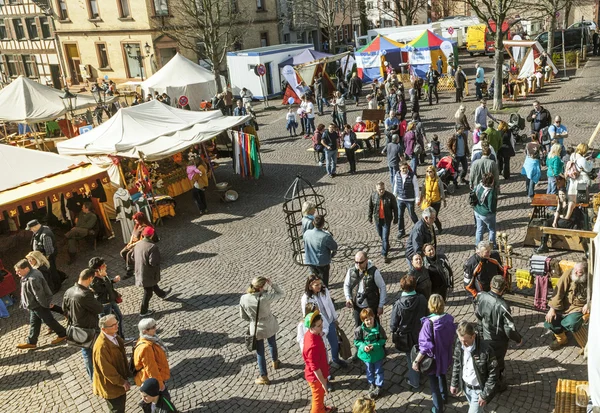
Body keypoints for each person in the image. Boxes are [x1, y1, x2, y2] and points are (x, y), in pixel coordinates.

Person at [475, 275, 522, 391]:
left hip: (484, 336)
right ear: (503, 289)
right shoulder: (503, 306)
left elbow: (478, 314)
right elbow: (509, 329)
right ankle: (497, 385)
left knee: (485, 360)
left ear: (491, 285)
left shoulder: (481, 296)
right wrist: (518, 338)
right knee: (497, 363)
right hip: (498, 341)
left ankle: (485, 380)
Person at [412, 295, 456, 412]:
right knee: (442, 375)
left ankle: (438, 408)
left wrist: (416, 361)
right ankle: (444, 396)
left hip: (433, 358)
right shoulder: (449, 319)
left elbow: (425, 347)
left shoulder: (428, 323)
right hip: (445, 355)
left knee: (433, 384)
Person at [239, 277, 284, 385]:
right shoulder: (265, 297)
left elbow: (243, 316)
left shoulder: (244, 298)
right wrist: (272, 284)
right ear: (262, 287)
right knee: (272, 343)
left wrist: (252, 320)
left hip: (255, 327)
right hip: (269, 324)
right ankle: (275, 362)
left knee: (260, 352)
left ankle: (264, 376)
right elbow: (281, 293)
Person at [14, 259, 67, 350]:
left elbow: (39, 294)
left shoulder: (33, 279)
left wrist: (45, 305)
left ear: (26, 269)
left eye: (18, 270)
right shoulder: (30, 274)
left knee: (49, 320)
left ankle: (63, 334)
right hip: (34, 306)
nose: (16, 273)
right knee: (34, 323)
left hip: (38, 305)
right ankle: (31, 342)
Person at [63, 268, 104, 380]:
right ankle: (97, 379)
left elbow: (64, 310)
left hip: (76, 329)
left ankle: (92, 378)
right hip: (89, 329)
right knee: (95, 353)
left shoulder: (68, 291)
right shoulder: (85, 294)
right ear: (90, 278)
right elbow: (99, 308)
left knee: (86, 354)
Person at [450, 321, 499, 413]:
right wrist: (454, 383)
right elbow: (457, 363)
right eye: (461, 341)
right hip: (466, 387)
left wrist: (485, 395)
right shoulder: (459, 344)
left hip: (479, 391)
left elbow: (494, 374)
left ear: (473, 336)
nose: (463, 344)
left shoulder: (486, 350)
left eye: (465, 341)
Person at [390, 275, 428, 389]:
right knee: (420, 353)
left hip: (405, 336)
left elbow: (393, 324)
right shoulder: (422, 299)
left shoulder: (398, 304)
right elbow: (426, 314)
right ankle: (420, 372)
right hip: (420, 333)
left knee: (410, 358)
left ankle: (414, 380)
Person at [301, 274, 347, 368]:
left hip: (329, 321)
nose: (319, 286)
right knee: (323, 348)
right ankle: (325, 368)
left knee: (334, 343)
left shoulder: (324, 290)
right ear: (310, 286)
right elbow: (306, 315)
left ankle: (336, 359)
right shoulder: (306, 298)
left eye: (320, 284)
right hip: (318, 326)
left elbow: (330, 304)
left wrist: (335, 318)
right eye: (316, 285)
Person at [544, 261, 590, 350]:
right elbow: (558, 291)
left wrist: (589, 304)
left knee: (572, 323)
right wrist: (552, 309)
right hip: (563, 306)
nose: (575, 273)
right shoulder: (569, 273)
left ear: (585, 272)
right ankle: (561, 338)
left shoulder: (591, 279)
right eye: (575, 270)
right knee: (550, 320)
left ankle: (562, 329)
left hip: (578, 308)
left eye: (579, 272)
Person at [92, 314, 130, 413]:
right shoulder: (102, 347)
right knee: (117, 410)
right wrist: (122, 382)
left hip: (117, 382)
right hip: (111, 386)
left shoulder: (113, 335)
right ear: (104, 329)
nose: (117, 325)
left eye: (116, 322)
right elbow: (108, 371)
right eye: (113, 325)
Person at [134, 318, 172, 412]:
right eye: (153, 327)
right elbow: (151, 369)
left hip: (154, 377)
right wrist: (159, 385)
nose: (156, 328)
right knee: (163, 399)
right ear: (145, 331)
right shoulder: (146, 347)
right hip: (153, 380)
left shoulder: (149, 339)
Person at [302, 311, 337, 413]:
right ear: (311, 327)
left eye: (321, 324)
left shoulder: (310, 333)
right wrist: (324, 384)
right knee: (317, 400)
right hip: (316, 378)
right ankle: (319, 409)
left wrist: (319, 332)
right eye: (318, 326)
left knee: (320, 398)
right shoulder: (312, 346)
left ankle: (323, 409)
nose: (321, 327)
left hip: (320, 372)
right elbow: (316, 369)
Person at [134, 226, 172, 317]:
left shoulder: (138, 244)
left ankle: (162, 294)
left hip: (139, 270)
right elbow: (153, 262)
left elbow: (132, 257)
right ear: (152, 235)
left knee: (152, 284)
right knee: (148, 292)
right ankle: (143, 311)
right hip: (148, 273)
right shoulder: (152, 247)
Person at [344, 251, 387, 329]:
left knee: (374, 328)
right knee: (359, 329)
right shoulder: (351, 271)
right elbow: (346, 285)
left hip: (371, 306)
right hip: (357, 307)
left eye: (360, 262)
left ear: (366, 260)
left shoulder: (374, 272)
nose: (358, 265)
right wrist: (348, 298)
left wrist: (380, 305)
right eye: (356, 262)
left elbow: (382, 287)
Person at [536, 189, 584, 253]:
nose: (561, 196)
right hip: (561, 218)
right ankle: (543, 245)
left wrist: (558, 216)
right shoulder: (560, 200)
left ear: (566, 195)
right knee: (546, 222)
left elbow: (567, 217)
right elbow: (558, 211)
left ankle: (544, 245)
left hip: (569, 221)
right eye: (560, 194)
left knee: (559, 222)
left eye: (563, 194)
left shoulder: (571, 203)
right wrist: (554, 221)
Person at [354, 308, 387, 399]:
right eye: (366, 320)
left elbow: (383, 339)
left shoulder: (379, 328)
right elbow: (357, 341)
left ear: (374, 317)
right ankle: (371, 383)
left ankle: (379, 385)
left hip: (377, 354)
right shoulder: (359, 330)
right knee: (369, 370)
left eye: (370, 319)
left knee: (378, 370)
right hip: (367, 356)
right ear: (363, 320)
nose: (369, 321)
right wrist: (364, 346)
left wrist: (375, 345)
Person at [89, 257, 124, 339]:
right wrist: (105, 277)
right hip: (105, 304)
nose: (106, 266)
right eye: (104, 265)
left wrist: (113, 280)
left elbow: (106, 285)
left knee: (119, 318)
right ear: (99, 268)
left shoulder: (102, 275)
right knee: (109, 324)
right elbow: (104, 289)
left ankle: (121, 338)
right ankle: (116, 339)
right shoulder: (94, 281)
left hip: (111, 301)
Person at [303, 215, 337, 287]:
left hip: (310, 261)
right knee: (323, 284)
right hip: (322, 263)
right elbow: (334, 247)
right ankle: (324, 297)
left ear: (313, 223)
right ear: (323, 224)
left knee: (314, 282)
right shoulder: (326, 236)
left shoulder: (306, 233)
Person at [368, 182, 398, 262]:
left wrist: (396, 218)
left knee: (385, 237)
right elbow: (370, 207)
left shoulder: (390, 196)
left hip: (386, 220)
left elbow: (395, 208)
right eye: (380, 189)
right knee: (381, 235)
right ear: (376, 189)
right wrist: (370, 217)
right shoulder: (373, 195)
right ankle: (387, 245)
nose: (381, 191)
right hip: (377, 219)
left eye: (383, 189)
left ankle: (384, 254)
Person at [26, 219, 61, 287]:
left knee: (51, 271)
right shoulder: (39, 231)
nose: (30, 231)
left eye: (30, 229)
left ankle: (57, 286)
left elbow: (49, 250)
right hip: (41, 257)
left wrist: (45, 260)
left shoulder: (45, 235)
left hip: (46, 258)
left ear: (34, 227)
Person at [120, 212, 155, 279]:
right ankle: (132, 265)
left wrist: (132, 245)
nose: (135, 221)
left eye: (136, 219)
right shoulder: (137, 225)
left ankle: (130, 271)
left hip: (140, 244)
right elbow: (133, 234)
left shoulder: (146, 227)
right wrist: (130, 243)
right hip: (133, 243)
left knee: (129, 254)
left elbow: (143, 240)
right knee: (123, 252)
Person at [393, 162, 420, 239]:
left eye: (406, 168)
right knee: (399, 216)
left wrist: (417, 198)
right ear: (400, 168)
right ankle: (401, 232)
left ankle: (419, 228)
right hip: (400, 199)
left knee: (412, 214)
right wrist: (394, 194)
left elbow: (416, 188)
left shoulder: (412, 176)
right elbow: (396, 185)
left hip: (410, 199)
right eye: (403, 168)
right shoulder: (397, 175)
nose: (405, 170)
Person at [472, 173, 498, 248]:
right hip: (486, 214)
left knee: (479, 229)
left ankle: (478, 245)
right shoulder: (491, 192)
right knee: (492, 229)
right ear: (491, 181)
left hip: (477, 210)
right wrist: (494, 212)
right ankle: (492, 245)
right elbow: (491, 206)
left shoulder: (479, 185)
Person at [422, 166, 445, 232]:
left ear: (434, 172)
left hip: (436, 202)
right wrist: (421, 199)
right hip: (428, 201)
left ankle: (439, 227)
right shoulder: (425, 180)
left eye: (430, 171)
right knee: (428, 216)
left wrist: (444, 200)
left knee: (434, 216)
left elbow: (441, 190)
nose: (429, 173)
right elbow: (423, 190)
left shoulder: (438, 180)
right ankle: (430, 229)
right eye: (427, 171)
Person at [521, 134, 542, 201]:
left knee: (528, 177)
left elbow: (525, 152)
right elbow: (541, 154)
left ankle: (527, 192)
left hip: (528, 162)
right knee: (533, 177)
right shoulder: (538, 145)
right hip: (534, 162)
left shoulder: (527, 144)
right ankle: (531, 193)